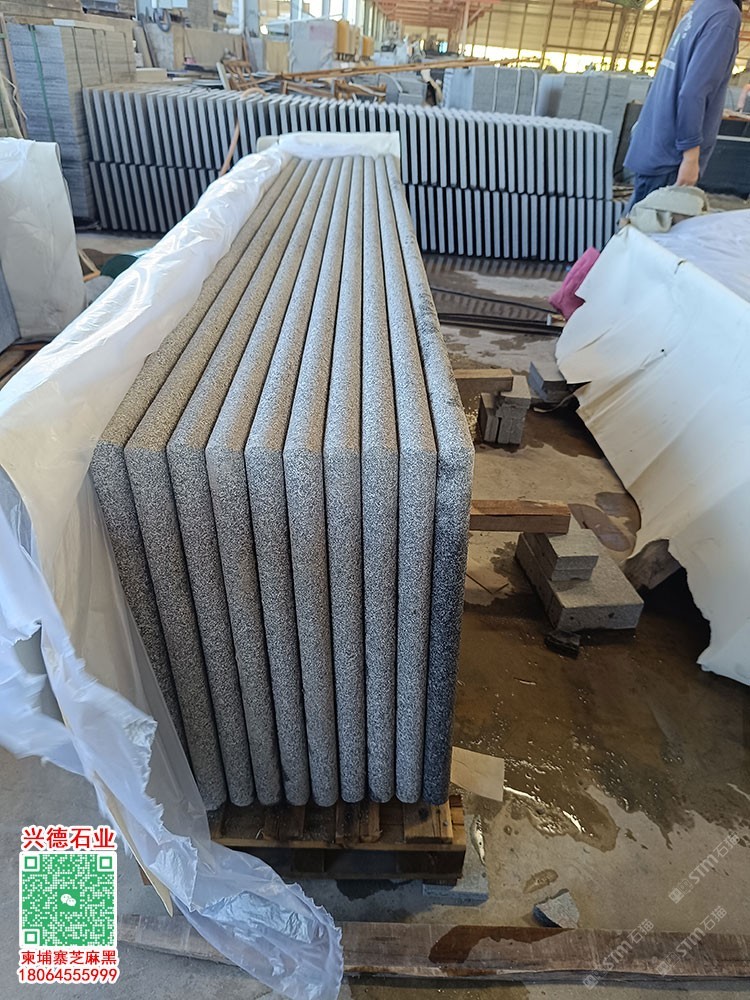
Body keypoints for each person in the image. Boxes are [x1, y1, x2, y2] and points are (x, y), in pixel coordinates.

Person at [625, 0, 741, 207]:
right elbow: (692, 93)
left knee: (636, 222)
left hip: (656, 144)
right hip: (672, 159)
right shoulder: (725, 15)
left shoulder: (702, 7)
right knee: (653, 223)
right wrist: (690, 157)